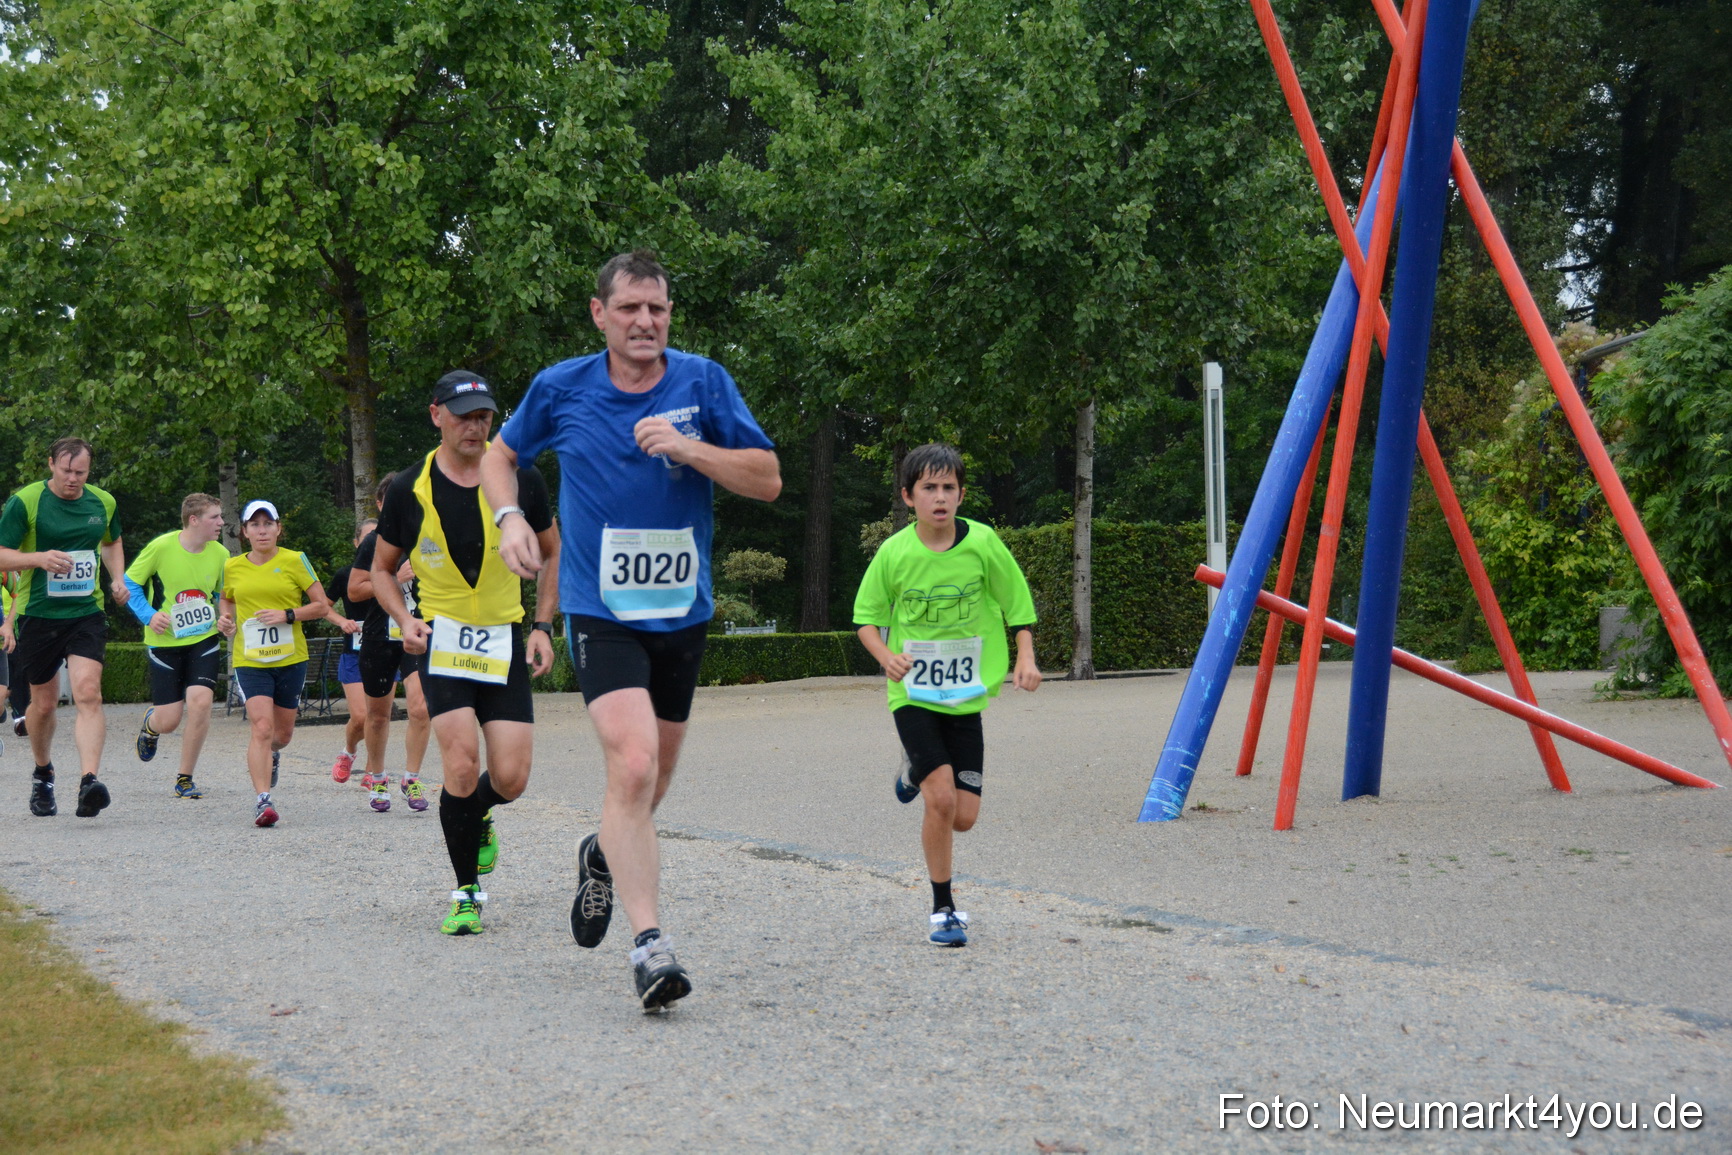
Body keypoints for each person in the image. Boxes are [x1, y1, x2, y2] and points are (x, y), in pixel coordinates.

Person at [483, 250, 781, 1011]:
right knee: (636, 758)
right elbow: (501, 454)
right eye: (630, 309)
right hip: (600, 610)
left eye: (658, 308)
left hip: (682, 613)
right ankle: (651, 947)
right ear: (599, 314)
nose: (646, 322)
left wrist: (689, 448)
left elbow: (768, 478)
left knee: (648, 785)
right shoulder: (562, 386)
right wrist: (509, 514)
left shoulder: (703, 381)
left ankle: (603, 852)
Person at [372, 370, 558, 936]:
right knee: (458, 764)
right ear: (436, 415)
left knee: (511, 777)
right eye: (463, 415)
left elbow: (553, 553)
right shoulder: (409, 488)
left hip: (503, 641)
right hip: (444, 644)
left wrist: (543, 624)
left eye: (484, 416)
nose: (475, 426)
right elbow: (379, 570)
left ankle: (477, 814)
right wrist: (404, 619)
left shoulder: (522, 479)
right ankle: (466, 893)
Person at [853, 443, 1041, 947]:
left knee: (963, 818)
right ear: (908, 497)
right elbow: (866, 621)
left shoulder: (983, 543)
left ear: (961, 493)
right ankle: (943, 910)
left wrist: (1026, 656)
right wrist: (884, 657)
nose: (940, 497)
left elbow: (1017, 606)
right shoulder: (894, 552)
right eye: (929, 489)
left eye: (949, 488)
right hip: (911, 692)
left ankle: (912, 768)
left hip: (966, 694)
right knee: (938, 799)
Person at [0, 438, 129, 818]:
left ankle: (89, 781)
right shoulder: (26, 501)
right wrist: (39, 558)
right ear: (51, 464)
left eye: (81, 472)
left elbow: (112, 540)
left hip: (85, 612)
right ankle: (43, 773)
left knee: (89, 692)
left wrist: (117, 578)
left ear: (89, 471)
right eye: (66, 470)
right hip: (38, 614)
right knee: (42, 703)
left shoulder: (102, 502)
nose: (73, 479)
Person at [219, 500, 331, 827]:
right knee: (262, 727)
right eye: (255, 524)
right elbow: (227, 598)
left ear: (279, 528)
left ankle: (274, 754)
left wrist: (287, 615)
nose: (262, 530)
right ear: (244, 532)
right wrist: (225, 618)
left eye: (268, 523)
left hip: (290, 659)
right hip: (250, 659)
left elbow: (322, 606)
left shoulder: (296, 561)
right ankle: (263, 800)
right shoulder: (232, 566)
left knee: (281, 734)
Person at [125, 493, 236, 798]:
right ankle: (151, 724)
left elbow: (223, 596)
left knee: (201, 704)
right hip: (164, 643)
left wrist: (226, 619)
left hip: (203, 639)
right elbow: (129, 584)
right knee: (169, 721)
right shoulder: (161, 547)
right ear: (194, 520)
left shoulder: (221, 554)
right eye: (215, 517)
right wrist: (149, 616)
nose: (221, 523)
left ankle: (184, 778)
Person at [348, 474, 432, 812]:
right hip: (379, 637)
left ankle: (412, 778)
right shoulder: (375, 542)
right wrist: (393, 580)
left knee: (421, 707)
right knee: (379, 715)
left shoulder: (432, 540)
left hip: (420, 635)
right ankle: (378, 776)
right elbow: (354, 590)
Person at [327, 519, 376, 786]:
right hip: (353, 653)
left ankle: (372, 772)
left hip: (384, 651)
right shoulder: (346, 575)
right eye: (366, 538)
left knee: (378, 715)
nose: (372, 542)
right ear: (357, 543)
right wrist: (341, 621)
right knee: (360, 716)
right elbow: (323, 606)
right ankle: (348, 752)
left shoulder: (395, 573)